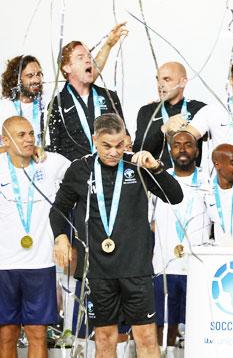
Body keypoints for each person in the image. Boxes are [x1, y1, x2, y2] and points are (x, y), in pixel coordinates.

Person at [50, 114, 183, 358]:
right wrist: (60, 237)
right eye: (106, 146)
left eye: (120, 145)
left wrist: (156, 168)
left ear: (126, 141)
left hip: (136, 268)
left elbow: (175, 196)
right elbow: (59, 208)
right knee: (104, 338)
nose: (114, 152)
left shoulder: (138, 165)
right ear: (94, 140)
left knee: (145, 337)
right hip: (97, 272)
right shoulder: (80, 169)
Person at [0, 116, 70, 358]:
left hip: (40, 264)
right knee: (6, 334)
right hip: (3, 265)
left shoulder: (50, 164)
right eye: (21, 135)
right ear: (5, 140)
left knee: (37, 333)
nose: (29, 139)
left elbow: (82, 172)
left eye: (31, 134)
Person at [150, 131, 210, 349]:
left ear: (197, 150)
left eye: (188, 145)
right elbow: (149, 220)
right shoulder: (158, 178)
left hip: (196, 266)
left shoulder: (207, 178)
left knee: (195, 326)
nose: (182, 149)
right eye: (177, 145)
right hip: (163, 264)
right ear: (170, 150)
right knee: (162, 326)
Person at [165, 55, 233, 168]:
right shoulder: (213, 110)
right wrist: (170, 131)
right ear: (231, 80)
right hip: (225, 183)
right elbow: (184, 138)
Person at [47, 23, 129, 161]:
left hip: (111, 170)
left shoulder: (108, 97)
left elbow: (125, 136)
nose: (88, 60)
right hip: (77, 175)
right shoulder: (56, 106)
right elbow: (53, 151)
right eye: (80, 57)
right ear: (67, 67)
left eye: (89, 56)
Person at [134, 61, 206, 167]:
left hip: (191, 179)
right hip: (156, 179)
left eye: (167, 79)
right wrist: (163, 130)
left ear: (183, 82)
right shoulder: (147, 111)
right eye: (158, 80)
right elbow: (137, 150)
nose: (160, 85)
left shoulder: (200, 109)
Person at [0, 55, 46, 147]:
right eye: (30, 76)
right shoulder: (3, 109)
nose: (36, 80)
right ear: (16, 79)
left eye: (39, 74)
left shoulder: (47, 102)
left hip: (44, 157)